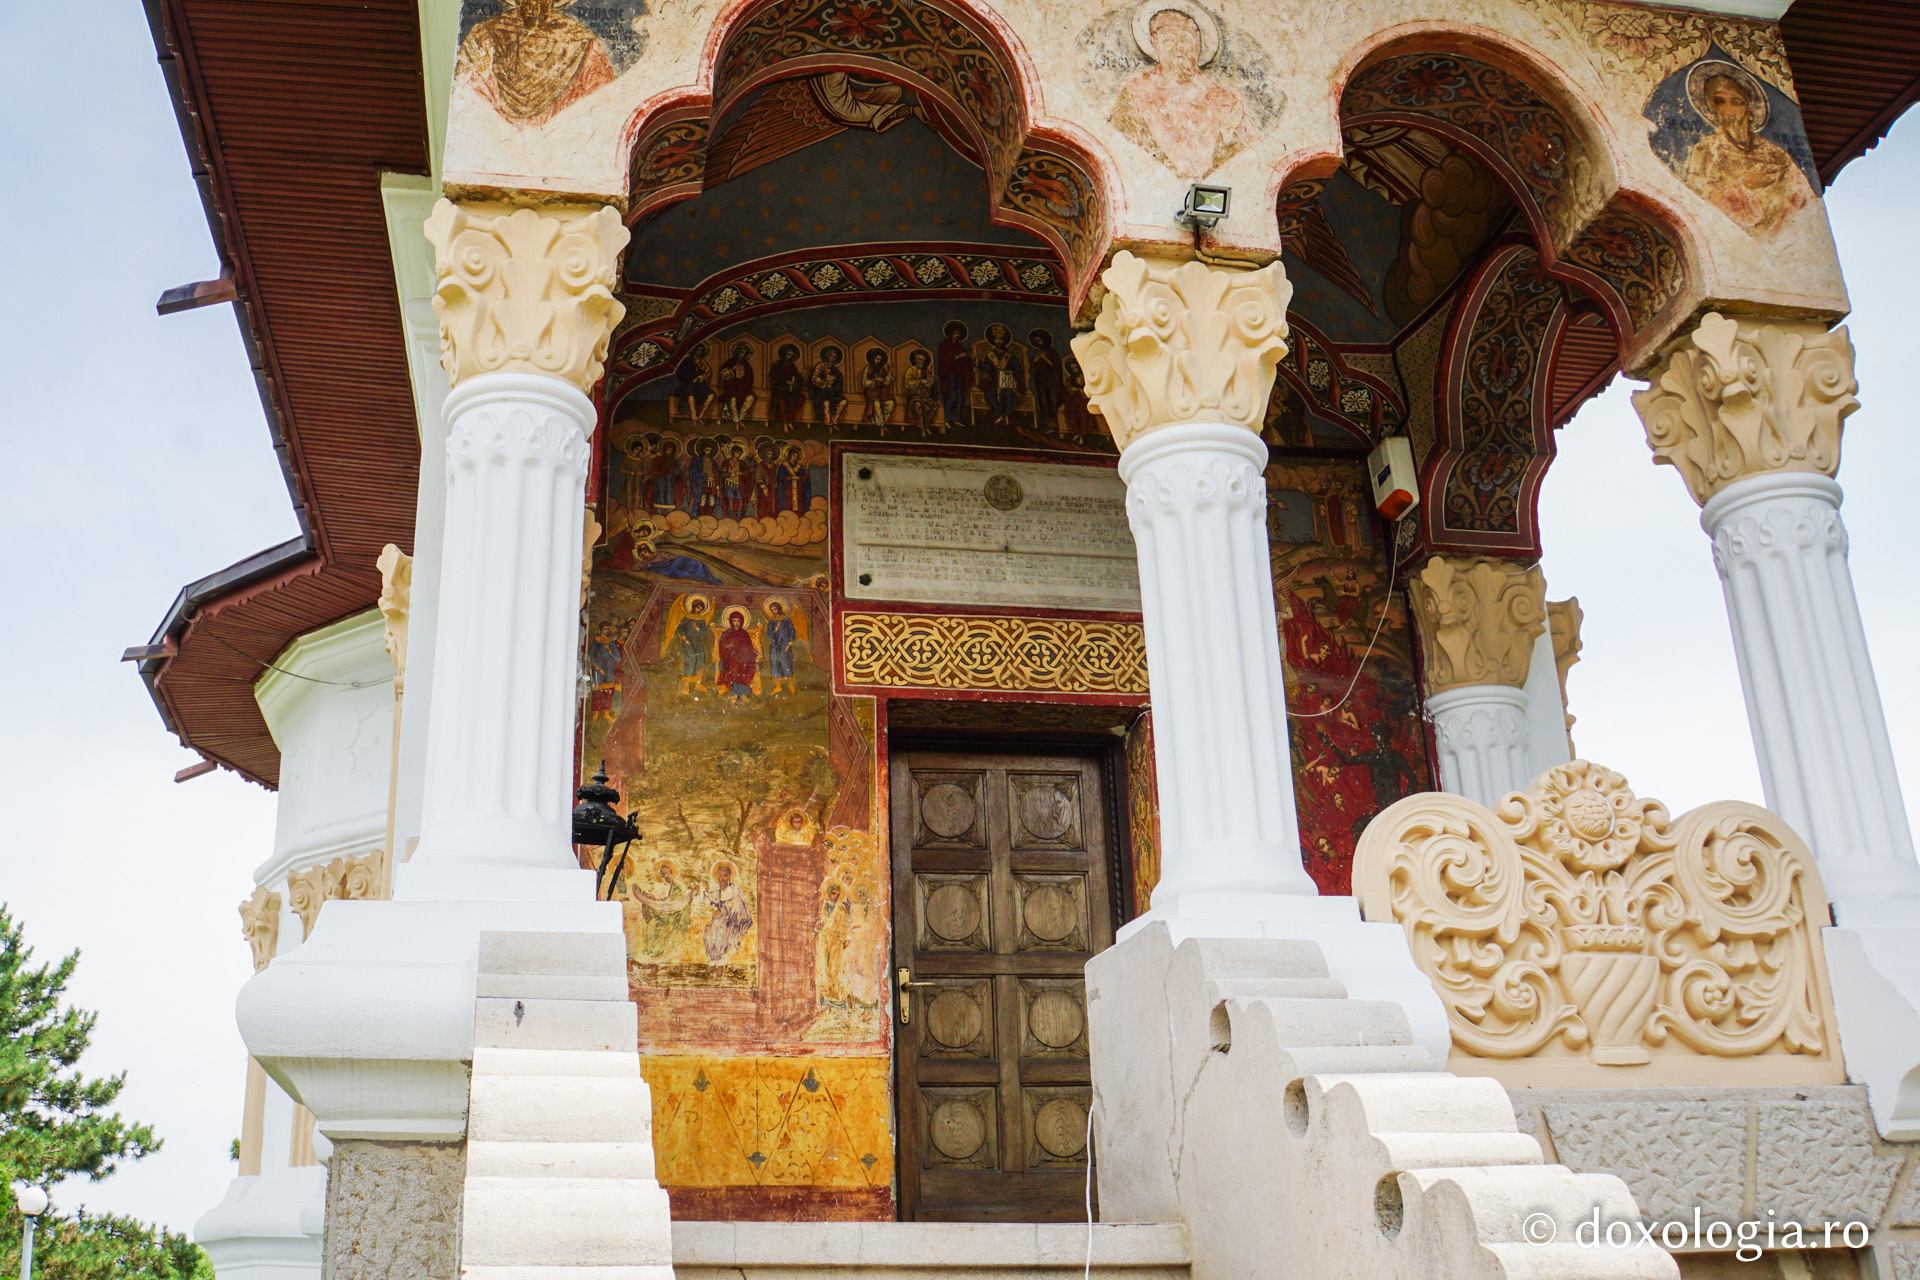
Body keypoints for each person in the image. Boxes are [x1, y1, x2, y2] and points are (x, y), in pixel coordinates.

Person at [1110, 6, 1254, 178]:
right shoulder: (1136, 92)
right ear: (1156, 45)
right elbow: (1118, 147)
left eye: (1184, 40)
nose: (1178, 48)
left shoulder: (1224, 98)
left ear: (1197, 44)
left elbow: (1252, 155)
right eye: (1169, 40)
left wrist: (1227, 138)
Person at [1681, 68, 1810, 237]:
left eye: (1736, 102)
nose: (1730, 110)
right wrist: (1744, 187)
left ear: (1749, 109)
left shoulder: (1775, 154)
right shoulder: (1704, 150)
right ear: (1713, 108)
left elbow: (1799, 198)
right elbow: (1697, 198)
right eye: (1720, 102)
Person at [455, 0, 616, 128]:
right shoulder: (483, 37)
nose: (534, 4)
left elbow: (602, 108)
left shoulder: (585, 44)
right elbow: (467, 101)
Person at [1318, 724, 1422, 845]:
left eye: (1378, 738)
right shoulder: (1372, 756)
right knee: (1357, 829)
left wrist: (1404, 803)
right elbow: (1348, 760)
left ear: (1385, 738)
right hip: (1381, 810)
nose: (1377, 742)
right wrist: (1331, 744)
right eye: (1375, 738)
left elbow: (1413, 780)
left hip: (1395, 808)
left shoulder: (1395, 757)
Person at [633, 860, 694, 959]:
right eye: (663, 874)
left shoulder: (678, 886)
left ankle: (658, 955)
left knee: (662, 926)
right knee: (651, 924)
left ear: (671, 872)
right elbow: (658, 899)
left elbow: (678, 900)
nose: (665, 876)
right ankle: (651, 955)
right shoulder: (661, 886)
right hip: (661, 913)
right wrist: (652, 899)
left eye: (666, 873)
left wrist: (662, 902)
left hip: (675, 914)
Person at [702, 860, 754, 964]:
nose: (722, 878)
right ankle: (713, 962)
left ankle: (721, 965)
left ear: (729, 876)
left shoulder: (734, 890)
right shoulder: (718, 890)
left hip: (732, 920)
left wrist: (723, 910)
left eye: (725, 875)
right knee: (709, 933)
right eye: (720, 875)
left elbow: (737, 905)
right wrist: (704, 892)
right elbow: (712, 898)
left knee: (725, 939)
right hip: (720, 920)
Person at [975, 323, 1024, 429]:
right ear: (993, 340)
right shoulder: (990, 356)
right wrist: (976, 362)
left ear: (1004, 340)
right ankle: (1001, 414)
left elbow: (1017, 369)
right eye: (996, 339)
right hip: (995, 382)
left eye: (1001, 339)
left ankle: (1005, 416)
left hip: (1008, 382)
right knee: (989, 395)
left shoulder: (1010, 356)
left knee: (1008, 394)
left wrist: (1011, 376)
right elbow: (986, 367)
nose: (999, 341)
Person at [673, 596, 714, 693]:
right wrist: (685, 639)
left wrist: (697, 628)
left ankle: (697, 684)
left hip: (697, 642)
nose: (699, 610)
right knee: (691, 659)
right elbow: (680, 628)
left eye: (701, 609)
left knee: (700, 659)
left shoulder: (701, 619)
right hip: (688, 642)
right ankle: (686, 685)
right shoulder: (687, 617)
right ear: (694, 606)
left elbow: (703, 633)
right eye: (698, 608)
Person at [936, 321, 973, 428]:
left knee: (959, 397)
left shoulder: (959, 345)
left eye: (959, 333)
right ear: (951, 333)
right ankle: (946, 419)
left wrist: (969, 360)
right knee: (951, 396)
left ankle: (956, 419)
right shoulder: (944, 345)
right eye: (956, 333)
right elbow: (944, 360)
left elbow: (965, 359)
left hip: (959, 374)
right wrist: (958, 357)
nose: (958, 335)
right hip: (949, 374)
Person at [1027, 330, 1064, 436]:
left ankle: (1056, 425)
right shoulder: (1037, 353)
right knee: (1043, 402)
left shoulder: (1052, 352)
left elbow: (1055, 366)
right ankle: (1048, 425)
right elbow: (1033, 366)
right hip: (1041, 381)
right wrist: (1038, 358)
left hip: (1051, 380)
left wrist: (1044, 358)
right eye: (1036, 341)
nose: (1039, 343)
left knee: (1053, 400)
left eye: (1040, 340)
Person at [717, 608, 759, 696]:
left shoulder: (744, 634)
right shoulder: (726, 634)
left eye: (738, 621)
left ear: (741, 622)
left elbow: (748, 647)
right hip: (730, 657)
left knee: (745, 667)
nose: (736, 623)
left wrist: (752, 652)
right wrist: (728, 648)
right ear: (731, 621)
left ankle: (743, 693)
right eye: (734, 621)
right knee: (734, 666)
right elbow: (722, 648)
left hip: (743, 657)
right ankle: (735, 693)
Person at [902, 349, 940, 436]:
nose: (922, 362)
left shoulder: (926, 371)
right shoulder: (910, 370)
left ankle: (926, 425)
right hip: (914, 394)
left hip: (925, 395)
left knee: (934, 405)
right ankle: (921, 427)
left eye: (923, 360)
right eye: (920, 359)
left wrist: (930, 382)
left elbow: (930, 383)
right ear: (915, 360)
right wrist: (920, 381)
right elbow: (907, 383)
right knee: (917, 405)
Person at [765, 600, 798, 694]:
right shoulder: (772, 621)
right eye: (772, 610)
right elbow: (769, 635)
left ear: (779, 608)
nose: (774, 611)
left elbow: (792, 631)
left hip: (785, 644)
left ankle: (790, 685)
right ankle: (778, 686)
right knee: (775, 661)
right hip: (775, 644)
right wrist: (775, 629)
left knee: (785, 661)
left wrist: (789, 643)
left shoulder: (786, 619)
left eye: (775, 609)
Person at [718, 342, 756, 423]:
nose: (743, 355)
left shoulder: (746, 365)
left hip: (743, 389)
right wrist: (730, 373)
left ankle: (740, 418)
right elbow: (723, 376)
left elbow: (750, 379)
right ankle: (736, 421)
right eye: (742, 352)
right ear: (737, 352)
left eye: (745, 353)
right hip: (731, 388)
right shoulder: (730, 363)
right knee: (732, 399)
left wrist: (743, 384)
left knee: (751, 398)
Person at [809, 346, 848, 425]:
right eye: (831, 356)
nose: (833, 358)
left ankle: (835, 419)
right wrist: (825, 379)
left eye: (835, 357)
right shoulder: (820, 366)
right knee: (826, 403)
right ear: (827, 356)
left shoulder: (835, 369)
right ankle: (827, 422)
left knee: (843, 401)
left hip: (832, 393)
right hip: (821, 392)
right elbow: (814, 378)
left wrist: (835, 379)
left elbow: (839, 380)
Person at [769, 344, 806, 426]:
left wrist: (803, 375)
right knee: (781, 400)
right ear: (784, 354)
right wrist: (786, 382)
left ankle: (790, 418)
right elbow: (773, 378)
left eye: (792, 356)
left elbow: (797, 379)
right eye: (788, 354)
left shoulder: (792, 366)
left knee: (801, 397)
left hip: (790, 391)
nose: (790, 357)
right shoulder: (777, 365)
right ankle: (785, 421)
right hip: (779, 390)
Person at [862, 348, 896, 430]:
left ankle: (879, 421)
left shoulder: (882, 369)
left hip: (882, 391)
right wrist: (875, 380)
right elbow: (864, 383)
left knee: (890, 403)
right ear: (873, 359)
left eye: (880, 360)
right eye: (877, 359)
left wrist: (889, 374)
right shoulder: (868, 368)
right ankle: (881, 426)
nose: (879, 361)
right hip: (871, 391)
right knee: (876, 404)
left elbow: (887, 382)